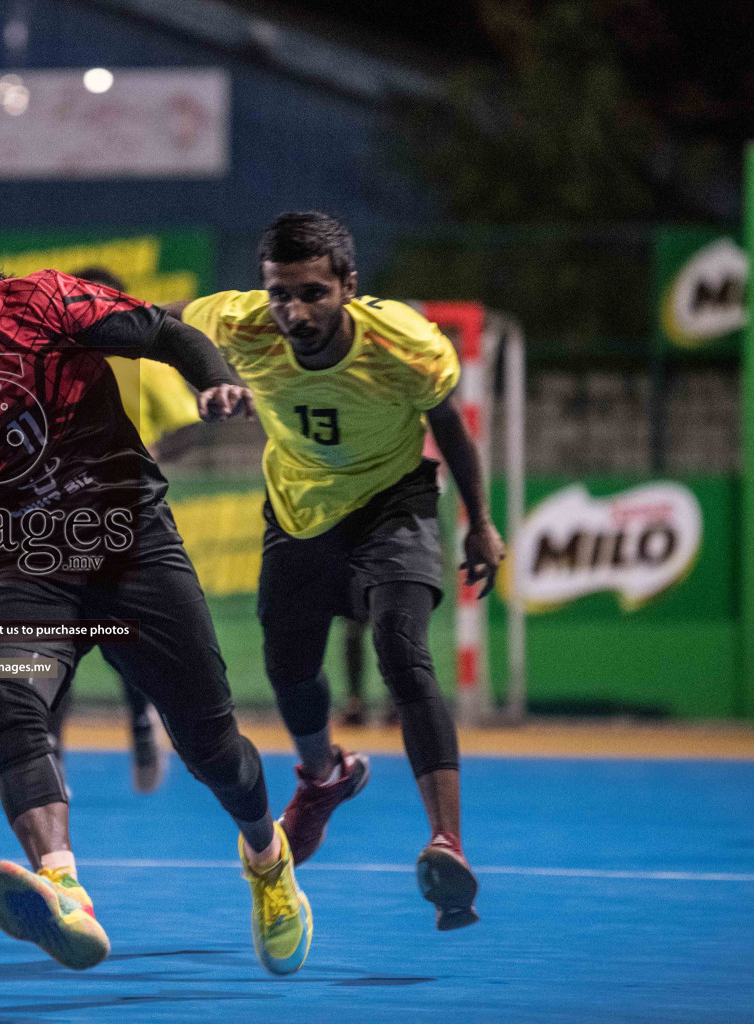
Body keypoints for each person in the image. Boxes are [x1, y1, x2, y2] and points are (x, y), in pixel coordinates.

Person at [0, 214, 312, 974]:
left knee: (212, 749)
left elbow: (160, 331)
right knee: (2, 696)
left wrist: (214, 376)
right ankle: (64, 891)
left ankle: (266, 856)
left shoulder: (37, 306)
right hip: (25, 573)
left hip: (131, 545)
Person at [168, 211, 504, 930]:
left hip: (394, 500)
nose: (295, 311)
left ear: (349, 286)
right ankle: (324, 778)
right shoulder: (242, 323)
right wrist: (211, 376)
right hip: (299, 508)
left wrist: (480, 521)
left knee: (402, 652)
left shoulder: (404, 345)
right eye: (280, 294)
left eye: (314, 293)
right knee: (288, 670)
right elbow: (166, 322)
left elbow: (448, 423)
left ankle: (447, 840)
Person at [41, 266, 205, 794]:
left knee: (122, 639)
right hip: (57, 523)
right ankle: (51, 759)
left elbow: (189, 424)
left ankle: (140, 721)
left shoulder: (142, 364)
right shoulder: (42, 366)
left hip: (126, 522)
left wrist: (152, 452)